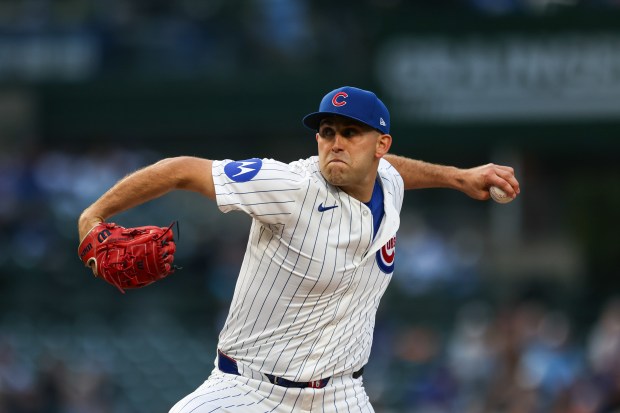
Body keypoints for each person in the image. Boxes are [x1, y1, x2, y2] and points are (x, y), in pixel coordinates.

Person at [78, 86, 520, 412]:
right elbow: (179, 170)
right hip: (247, 390)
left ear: (381, 146)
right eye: (327, 132)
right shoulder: (291, 186)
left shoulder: (388, 180)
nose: (336, 143)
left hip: (341, 394)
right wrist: (93, 216)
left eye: (351, 132)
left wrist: (459, 177)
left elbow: (395, 172)